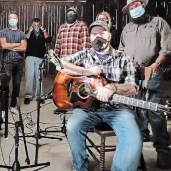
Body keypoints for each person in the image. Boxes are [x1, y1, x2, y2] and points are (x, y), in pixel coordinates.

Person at [58, 19, 142, 171]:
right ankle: (80, 167)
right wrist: (87, 71)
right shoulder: (85, 54)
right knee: (72, 127)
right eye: (94, 33)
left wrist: (112, 87)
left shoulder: (123, 58)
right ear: (89, 38)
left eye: (101, 32)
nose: (97, 36)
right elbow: (61, 63)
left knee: (133, 138)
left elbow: (133, 87)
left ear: (109, 35)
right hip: (88, 109)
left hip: (118, 109)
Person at [119, 0, 171, 169]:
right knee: (134, 111)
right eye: (130, 7)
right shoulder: (127, 29)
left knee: (154, 111)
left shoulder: (158, 23)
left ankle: (163, 150)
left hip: (152, 72)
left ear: (143, 5)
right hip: (131, 74)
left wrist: (156, 64)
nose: (134, 8)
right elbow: (121, 50)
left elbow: (168, 47)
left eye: (136, 5)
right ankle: (136, 152)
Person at [0, 9, 27, 117]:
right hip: (7, 61)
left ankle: (13, 106)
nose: (12, 20)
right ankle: (2, 110)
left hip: (19, 63)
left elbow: (23, 48)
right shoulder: (3, 32)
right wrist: (17, 44)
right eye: (10, 18)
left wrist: (11, 46)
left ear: (17, 20)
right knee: (4, 86)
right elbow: (3, 46)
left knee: (17, 85)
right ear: (7, 20)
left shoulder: (22, 33)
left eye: (14, 18)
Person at [24, 17, 52, 105]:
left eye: (37, 22)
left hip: (40, 57)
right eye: (34, 22)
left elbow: (48, 40)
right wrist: (30, 30)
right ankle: (28, 96)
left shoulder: (41, 32)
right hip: (30, 57)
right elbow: (25, 38)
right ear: (32, 23)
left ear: (39, 23)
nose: (36, 24)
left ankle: (39, 96)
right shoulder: (28, 31)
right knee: (30, 76)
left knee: (39, 77)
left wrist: (44, 31)